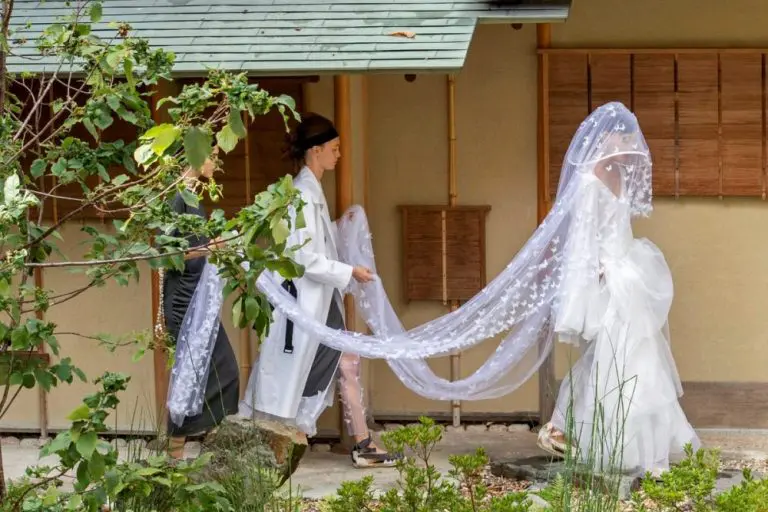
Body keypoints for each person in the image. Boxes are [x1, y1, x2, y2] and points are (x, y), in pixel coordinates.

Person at [536, 102, 700, 476]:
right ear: (604, 137)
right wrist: (595, 273)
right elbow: (582, 235)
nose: (629, 142)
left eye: (631, 136)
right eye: (623, 136)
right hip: (607, 274)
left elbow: (622, 226)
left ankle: (575, 429)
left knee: (629, 353)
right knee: (612, 353)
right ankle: (570, 427)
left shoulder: (621, 177)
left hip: (630, 269)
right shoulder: (590, 180)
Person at [239, 113, 400, 468]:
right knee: (333, 363)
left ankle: (362, 443)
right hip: (306, 297)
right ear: (315, 151)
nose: (339, 155)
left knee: (346, 360)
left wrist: (344, 227)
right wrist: (349, 271)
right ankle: (355, 444)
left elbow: (315, 241)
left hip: (319, 297)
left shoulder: (311, 191)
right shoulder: (301, 194)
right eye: (335, 148)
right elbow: (303, 255)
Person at [161, 148, 240, 459]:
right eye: (212, 155)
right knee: (192, 378)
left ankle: (209, 455)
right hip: (183, 299)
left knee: (223, 372)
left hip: (196, 297)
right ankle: (173, 462)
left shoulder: (190, 195)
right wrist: (212, 247)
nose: (216, 162)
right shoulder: (177, 196)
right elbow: (166, 253)